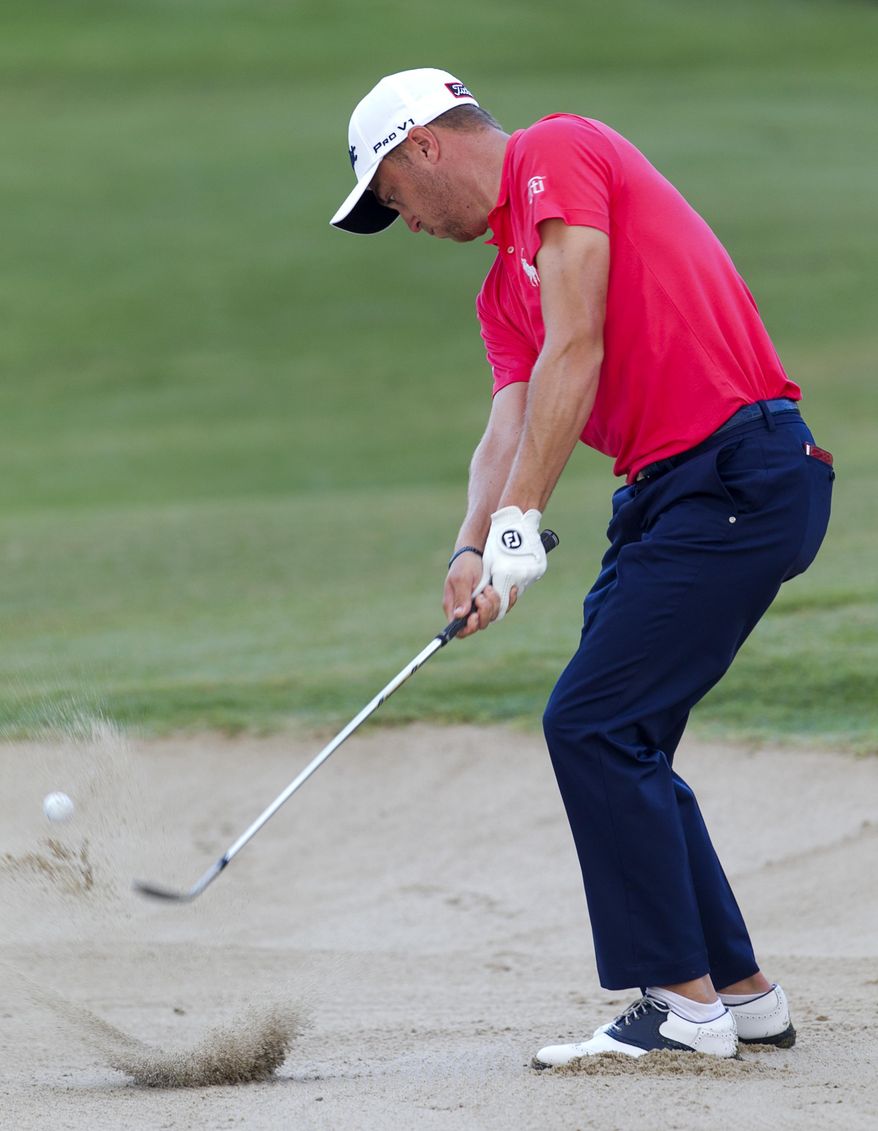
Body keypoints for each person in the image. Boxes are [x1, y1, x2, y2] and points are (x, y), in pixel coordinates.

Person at [330, 68, 834, 1064]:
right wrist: (474, 543)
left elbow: (579, 345)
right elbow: (505, 422)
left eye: (392, 197)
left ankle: (678, 1005)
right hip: (664, 497)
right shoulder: (496, 292)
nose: (412, 227)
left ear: (424, 144)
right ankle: (738, 994)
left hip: (739, 471)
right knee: (623, 736)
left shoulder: (554, 153)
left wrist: (523, 517)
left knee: (592, 724)